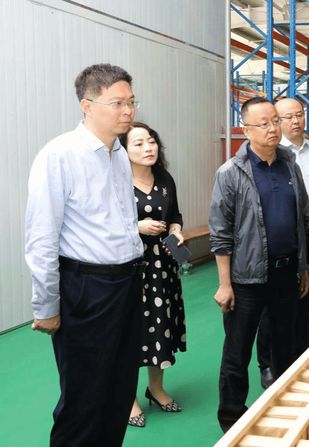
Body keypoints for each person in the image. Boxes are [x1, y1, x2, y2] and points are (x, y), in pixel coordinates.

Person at [24, 63, 145, 447]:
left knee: (119, 389)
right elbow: (42, 236)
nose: (128, 111)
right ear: (87, 105)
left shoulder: (119, 154)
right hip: (87, 289)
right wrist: (47, 305)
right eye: (117, 103)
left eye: (131, 102)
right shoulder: (59, 155)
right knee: (83, 399)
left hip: (127, 283)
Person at [209, 97, 309, 432]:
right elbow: (220, 233)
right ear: (246, 129)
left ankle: (282, 415)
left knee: (284, 350)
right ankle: (231, 422)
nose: (272, 129)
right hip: (246, 280)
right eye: (263, 123)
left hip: (285, 274)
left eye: (275, 121)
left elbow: (301, 218)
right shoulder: (231, 172)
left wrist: (302, 267)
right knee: (237, 353)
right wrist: (225, 284)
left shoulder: (290, 165)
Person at [120, 122, 187, 427]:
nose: (148, 148)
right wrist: (137, 227)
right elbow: (104, 223)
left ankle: (156, 389)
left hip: (162, 267)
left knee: (160, 328)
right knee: (131, 331)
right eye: (138, 143)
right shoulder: (116, 182)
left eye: (151, 141)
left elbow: (175, 215)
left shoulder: (164, 179)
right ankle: (128, 397)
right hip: (131, 269)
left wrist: (176, 230)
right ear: (123, 150)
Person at [255, 97, 309, 389]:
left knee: (306, 300)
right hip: (281, 238)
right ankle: (267, 363)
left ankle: (299, 356)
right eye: (288, 117)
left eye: (300, 114)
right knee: (272, 305)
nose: (296, 121)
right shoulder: (272, 153)